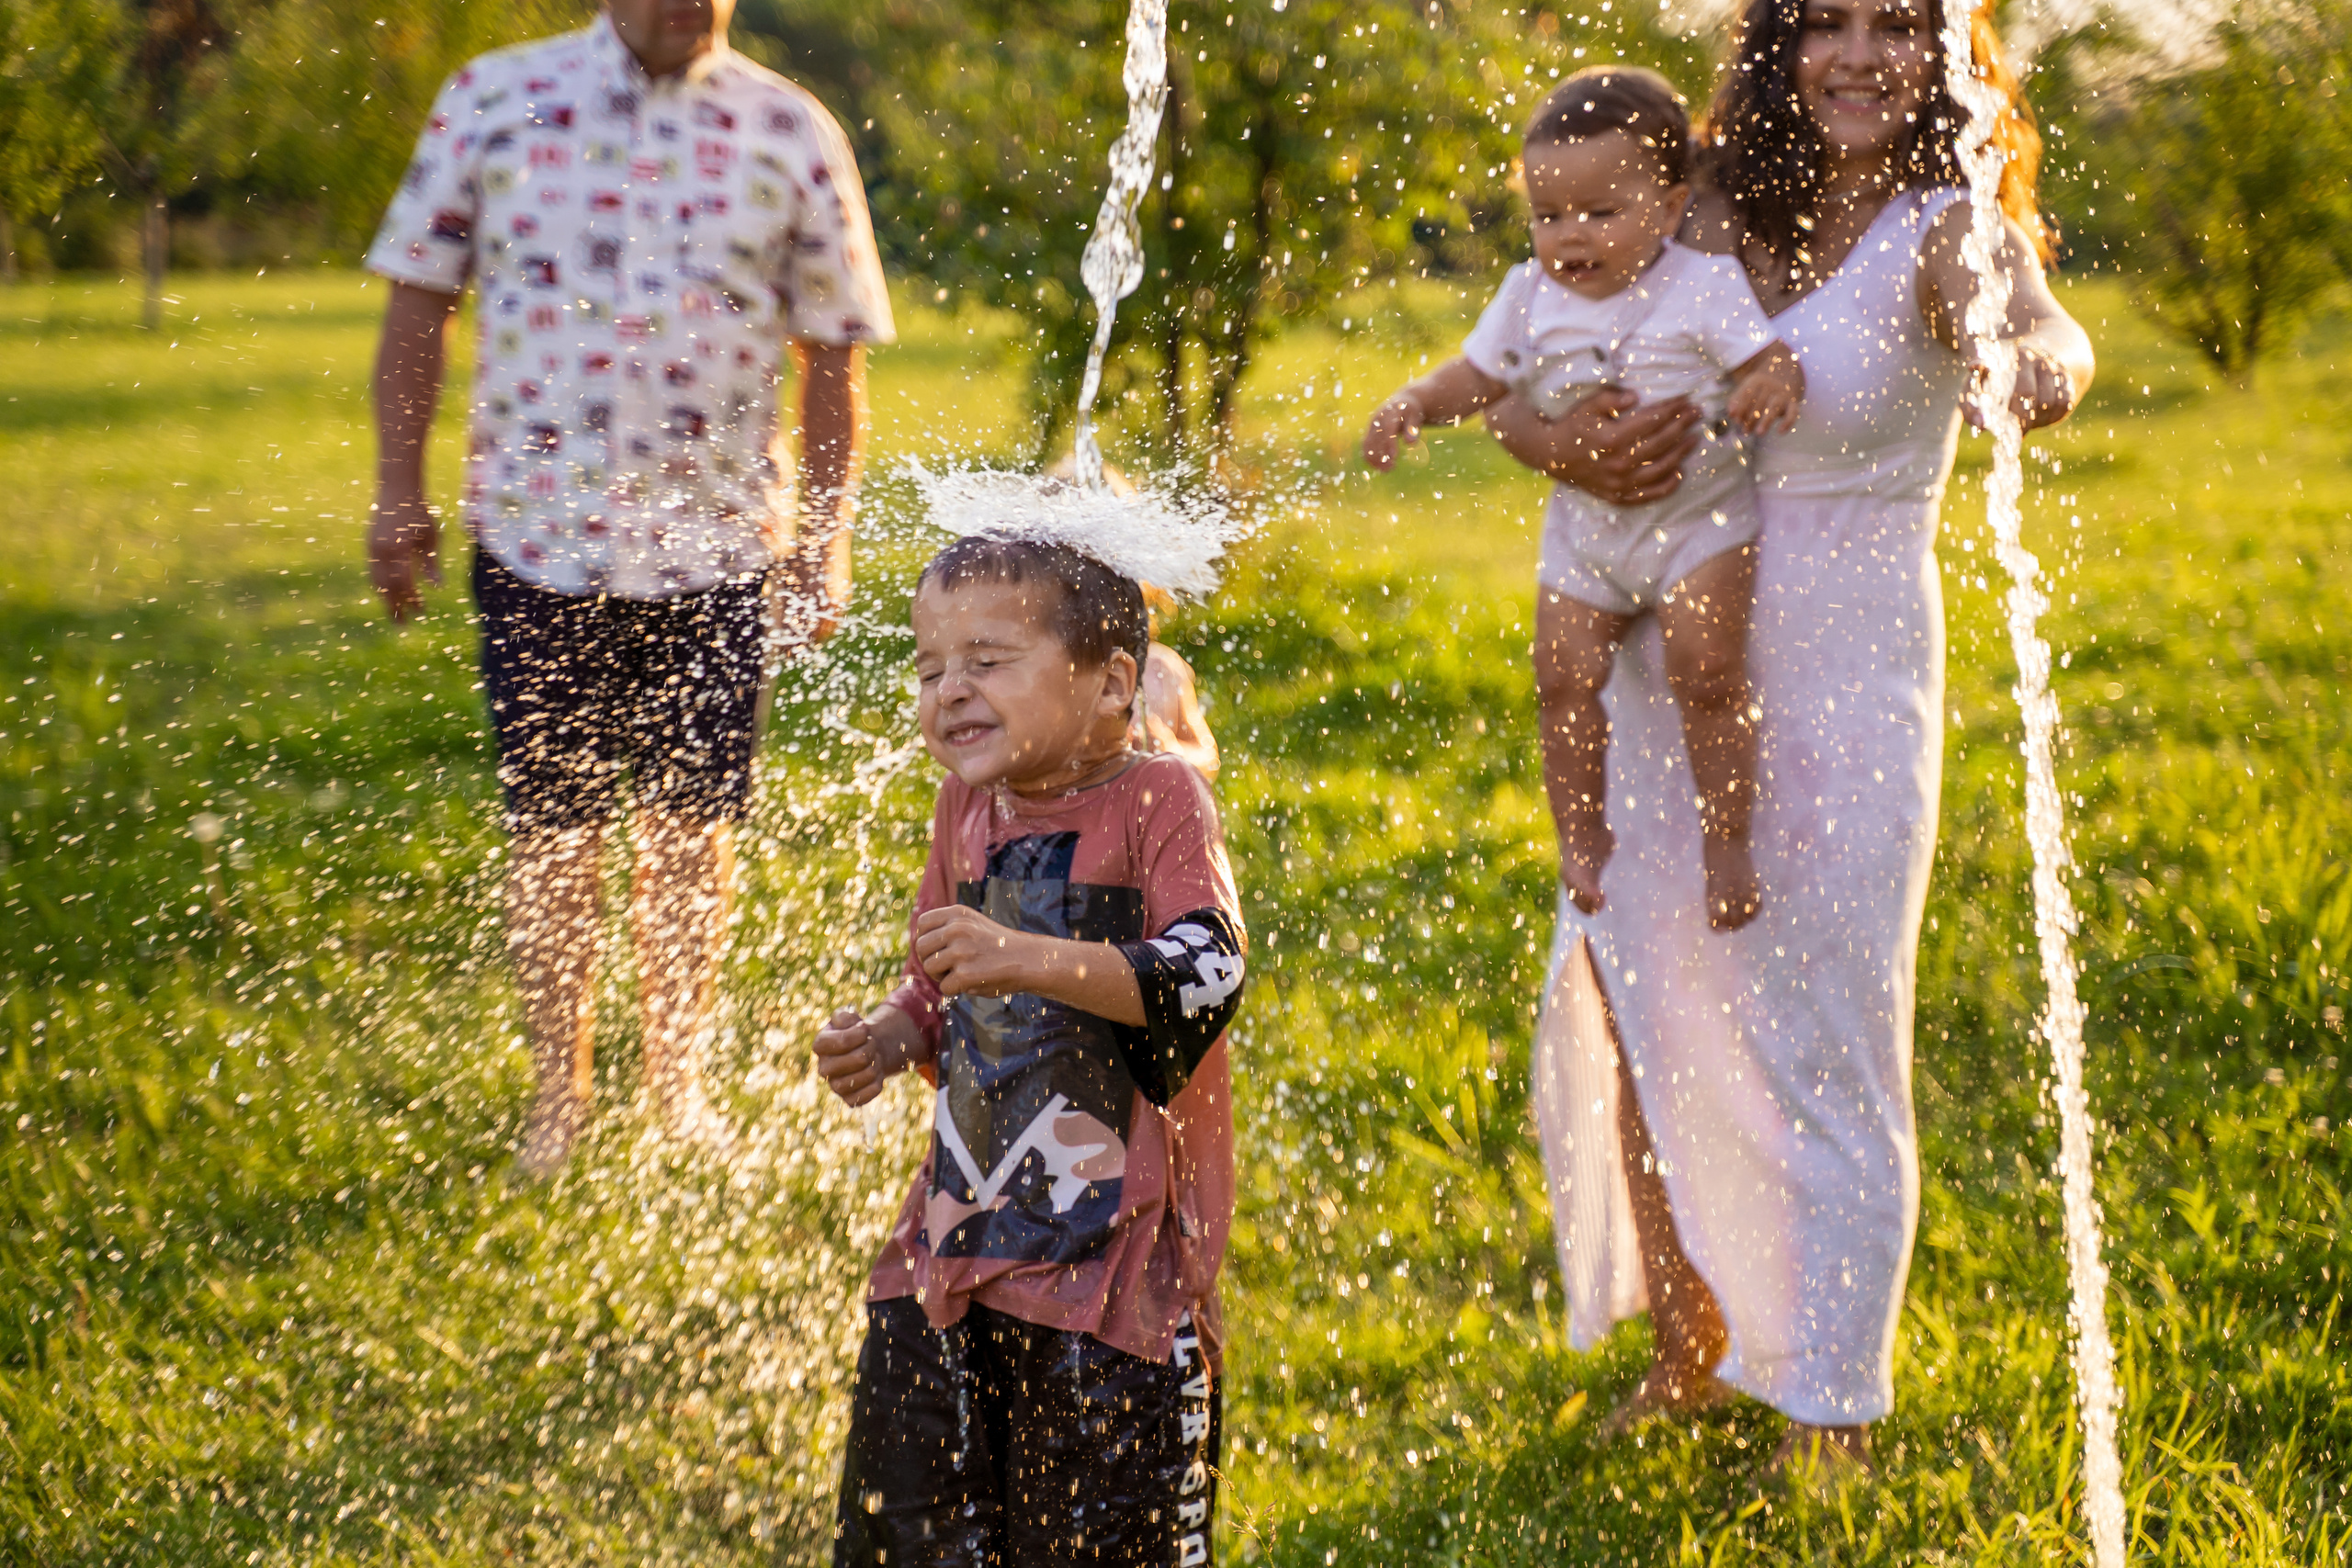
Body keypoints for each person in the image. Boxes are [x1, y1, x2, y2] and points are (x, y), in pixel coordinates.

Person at [1497, 0, 2093, 1471]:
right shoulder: (1698, 199)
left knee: (1828, 1029)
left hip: (1837, 676)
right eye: (1827, 22)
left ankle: (1832, 1404)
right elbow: (1528, 357)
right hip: (1658, 659)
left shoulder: (1946, 228)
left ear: (1951, 51)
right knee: (1646, 995)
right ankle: (1690, 1350)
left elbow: (2034, 323)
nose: (1859, 57)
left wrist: (2036, 362)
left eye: (1899, 24)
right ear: (1781, 42)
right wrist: (1563, 442)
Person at [362, 0, 895, 1176]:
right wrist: (399, 491)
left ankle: (678, 1090)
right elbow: (417, 305)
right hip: (539, 543)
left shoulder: (789, 128)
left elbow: (832, 360)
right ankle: (560, 1097)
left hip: (719, 550)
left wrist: (823, 542)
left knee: (693, 833)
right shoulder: (495, 99)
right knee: (554, 832)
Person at [810, 536, 1245, 1567]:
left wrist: (1025, 956)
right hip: (955, 1252)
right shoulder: (967, 802)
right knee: (906, 1537)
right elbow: (940, 980)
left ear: (1110, 685)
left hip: (1117, 1287)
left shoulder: (1158, 802)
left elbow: (1207, 971)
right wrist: (885, 1034)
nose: (949, 691)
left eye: (988, 661)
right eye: (929, 668)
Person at [1363, 67, 1804, 931]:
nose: (1571, 235)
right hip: (1588, 533)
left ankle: (1728, 838)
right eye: (1549, 214)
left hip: (1697, 525)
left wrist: (1769, 385)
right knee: (1561, 676)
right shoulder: (1528, 294)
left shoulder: (1703, 286)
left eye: (1601, 213)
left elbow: (1767, 359)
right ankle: (1582, 834)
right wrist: (1414, 401)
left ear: (1669, 208)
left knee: (1707, 673)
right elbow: (1480, 377)